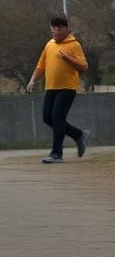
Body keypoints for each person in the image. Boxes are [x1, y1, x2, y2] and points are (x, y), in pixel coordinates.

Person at [26, 13, 89, 164]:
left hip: (67, 88)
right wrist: (32, 80)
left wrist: (68, 58)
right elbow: (41, 66)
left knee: (58, 119)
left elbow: (84, 66)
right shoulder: (50, 44)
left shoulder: (74, 45)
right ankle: (79, 135)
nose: (54, 32)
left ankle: (56, 154)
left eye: (57, 29)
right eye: (53, 29)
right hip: (51, 88)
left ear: (66, 29)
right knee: (48, 118)